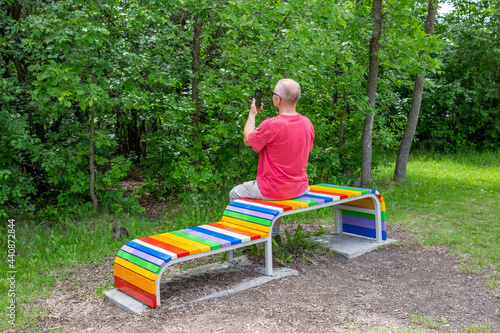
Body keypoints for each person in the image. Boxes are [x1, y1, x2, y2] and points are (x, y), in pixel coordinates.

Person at [229, 78, 315, 241]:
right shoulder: (307, 123)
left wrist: (252, 114)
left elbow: (248, 140)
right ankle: (275, 235)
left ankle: (243, 239)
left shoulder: (271, 125)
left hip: (272, 190)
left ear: (279, 99)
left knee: (235, 194)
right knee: (280, 191)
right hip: (300, 187)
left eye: (274, 93)